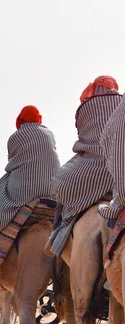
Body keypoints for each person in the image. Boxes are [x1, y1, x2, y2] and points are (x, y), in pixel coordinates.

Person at [0, 105, 60, 270]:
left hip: (25, 191)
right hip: (53, 190)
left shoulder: (15, 137)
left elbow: (13, 163)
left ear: (20, 121)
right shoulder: (50, 134)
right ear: (39, 119)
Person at [50, 76, 121, 254]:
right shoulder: (122, 103)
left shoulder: (85, 108)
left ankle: (56, 232)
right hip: (119, 173)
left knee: (58, 182)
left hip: (87, 172)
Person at [98, 82, 125, 219]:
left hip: (88, 170)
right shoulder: (119, 100)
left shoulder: (86, 105)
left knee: (61, 188)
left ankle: (56, 235)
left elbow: (107, 140)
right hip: (111, 179)